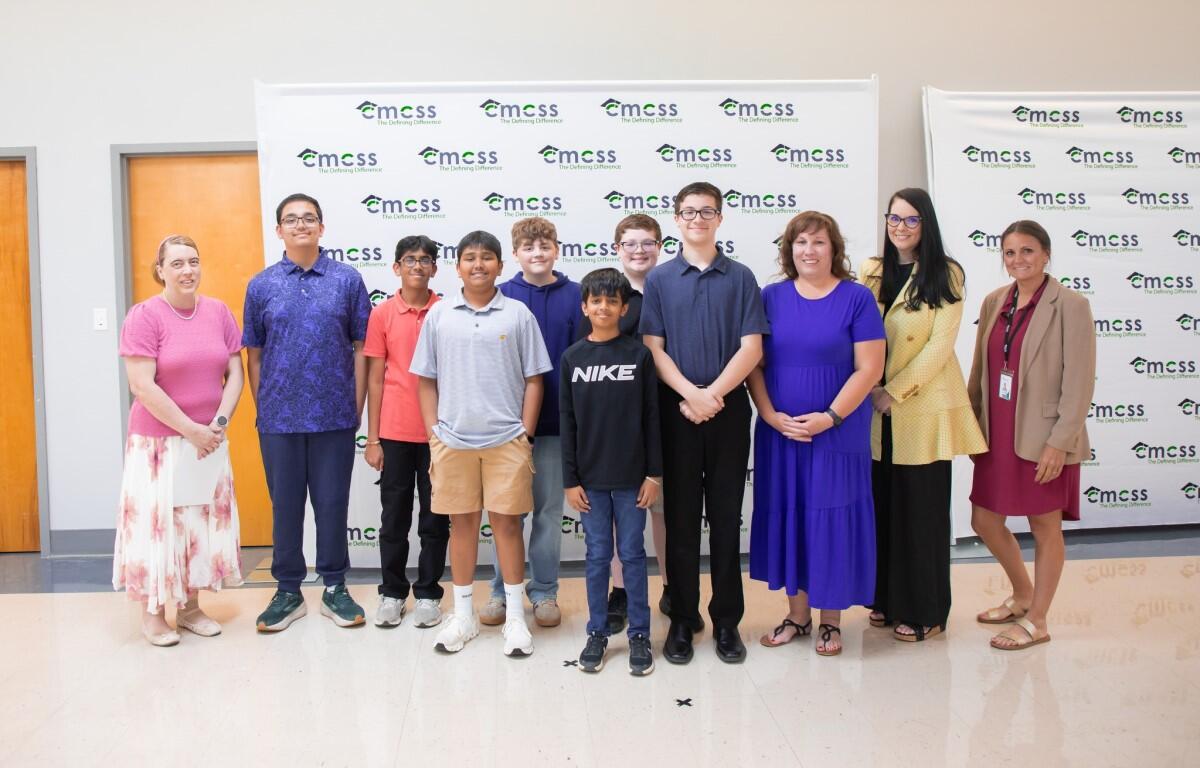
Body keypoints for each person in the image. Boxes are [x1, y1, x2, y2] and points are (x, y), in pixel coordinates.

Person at [640, 181, 770, 665]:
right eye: (689, 212)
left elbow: (752, 347)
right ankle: (682, 617)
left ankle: (727, 621)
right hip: (677, 411)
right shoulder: (660, 279)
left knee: (725, 517)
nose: (698, 219)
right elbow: (653, 348)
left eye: (707, 211)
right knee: (679, 521)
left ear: (720, 218)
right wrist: (691, 394)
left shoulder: (741, 277)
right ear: (676, 219)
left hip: (727, 411)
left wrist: (712, 394)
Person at [748, 211, 885, 657]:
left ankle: (830, 621)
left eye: (819, 242)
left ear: (834, 249)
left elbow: (870, 368)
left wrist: (830, 417)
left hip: (837, 433)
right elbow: (754, 365)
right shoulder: (770, 297)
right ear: (789, 250)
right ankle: (797, 616)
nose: (809, 250)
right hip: (781, 433)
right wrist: (769, 415)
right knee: (792, 516)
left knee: (832, 520)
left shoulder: (857, 298)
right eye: (801, 242)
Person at [410, 230, 552, 657]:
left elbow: (534, 379)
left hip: (507, 441)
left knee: (507, 526)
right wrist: (434, 432)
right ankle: (464, 616)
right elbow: (426, 379)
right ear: (457, 267)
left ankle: (515, 618)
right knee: (463, 526)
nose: (478, 264)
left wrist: (525, 433)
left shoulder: (518, 314)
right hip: (453, 441)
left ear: (499, 265)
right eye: (469, 258)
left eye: (486, 257)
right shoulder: (440, 315)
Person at [859, 188, 986, 642]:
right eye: (894, 218)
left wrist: (894, 391)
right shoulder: (871, 270)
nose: (901, 227)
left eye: (912, 220)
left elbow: (939, 347)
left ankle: (927, 610)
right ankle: (886, 599)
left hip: (921, 406)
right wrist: (868, 387)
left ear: (926, 224)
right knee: (885, 507)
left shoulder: (946, 272)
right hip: (874, 407)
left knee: (921, 513)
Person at [244, 193, 372, 632]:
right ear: (278, 230)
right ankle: (288, 591)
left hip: (334, 416)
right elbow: (254, 355)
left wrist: (355, 406)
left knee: (332, 504)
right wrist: (266, 408)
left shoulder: (346, 280)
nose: (301, 225)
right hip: (278, 421)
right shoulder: (261, 285)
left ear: (322, 226)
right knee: (285, 507)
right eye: (291, 219)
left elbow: (362, 348)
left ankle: (335, 587)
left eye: (309, 218)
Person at [967, 220, 1095, 651]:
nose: (1018, 260)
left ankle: (1037, 620)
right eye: (1010, 252)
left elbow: (1079, 382)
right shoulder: (994, 302)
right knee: (984, 520)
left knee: (1044, 526)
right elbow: (980, 372)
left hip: (1043, 437)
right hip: (997, 432)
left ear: (1045, 255)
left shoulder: (1070, 305)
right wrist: (971, 425)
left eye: (1027, 251)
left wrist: (1060, 442)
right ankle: (1022, 594)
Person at [114, 235, 244, 646]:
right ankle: (153, 613)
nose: (188, 270)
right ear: (160, 271)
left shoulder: (218, 312)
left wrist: (218, 423)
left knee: (197, 525)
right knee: (159, 527)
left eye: (193, 261)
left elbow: (235, 373)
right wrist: (191, 430)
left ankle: (190, 608)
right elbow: (142, 385)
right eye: (177, 263)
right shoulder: (144, 316)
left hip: (208, 440)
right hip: (159, 445)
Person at [479, 217, 581, 629]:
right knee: (506, 514)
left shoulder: (578, 296)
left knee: (549, 513)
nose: (537, 253)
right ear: (515, 254)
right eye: (528, 247)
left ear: (557, 249)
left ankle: (544, 591)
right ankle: (501, 590)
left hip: (557, 424)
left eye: (545, 246)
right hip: (506, 427)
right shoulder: (500, 295)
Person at [561, 268, 662, 675]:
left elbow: (652, 418)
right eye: (596, 300)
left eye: (612, 301)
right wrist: (570, 480)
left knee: (633, 555)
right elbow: (568, 423)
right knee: (598, 555)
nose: (603, 307)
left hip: (632, 479)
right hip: (590, 481)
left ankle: (639, 633)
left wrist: (653, 475)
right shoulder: (572, 358)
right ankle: (598, 632)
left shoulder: (639, 355)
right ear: (585, 307)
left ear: (624, 308)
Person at [579, 214, 671, 633]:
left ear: (660, 247)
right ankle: (620, 591)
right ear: (617, 248)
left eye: (648, 242)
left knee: (663, 510)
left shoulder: (671, 287)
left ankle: (669, 585)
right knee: (619, 513)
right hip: (620, 426)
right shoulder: (609, 294)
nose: (639, 250)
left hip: (669, 413)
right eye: (630, 243)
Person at [362, 235, 450, 629]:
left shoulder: (446, 311)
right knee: (394, 518)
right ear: (396, 267)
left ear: (434, 268)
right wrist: (373, 438)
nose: (418, 265)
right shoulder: (382, 314)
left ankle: (429, 594)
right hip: (394, 433)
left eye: (425, 259)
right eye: (410, 259)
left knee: (435, 519)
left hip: (439, 434)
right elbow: (375, 379)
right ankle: (393, 593)